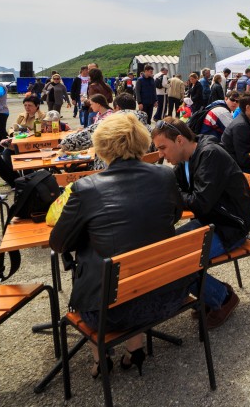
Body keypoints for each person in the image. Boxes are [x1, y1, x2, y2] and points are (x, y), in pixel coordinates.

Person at [50, 112, 193, 376]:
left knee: (97, 256)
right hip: (166, 295)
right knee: (131, 250)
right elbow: (173, 217)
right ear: (142, 141)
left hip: (111, 313)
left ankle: (100, 359)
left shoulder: (86, 188)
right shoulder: (164, 175)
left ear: (101, 146)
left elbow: (59, 243)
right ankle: (134, 348)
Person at [151, 117, 250, 330]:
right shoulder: (185, 158)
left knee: (177, 264)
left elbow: (200, 203)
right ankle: (207, 293)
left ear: (179, 140)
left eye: (162, 148)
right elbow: (180, 194)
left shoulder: (210, 154)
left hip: (230, 227)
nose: (160, 155)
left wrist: (171, 191)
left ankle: (223, 298)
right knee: (162, 254)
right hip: (210, 222)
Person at [221, 92, 250, 173]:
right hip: (237, 170)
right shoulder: (241, 126)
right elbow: (244, 160)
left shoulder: (244, 120)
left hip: (237, 167)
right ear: (248, 108)